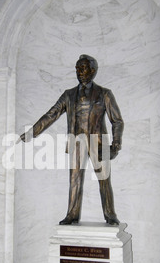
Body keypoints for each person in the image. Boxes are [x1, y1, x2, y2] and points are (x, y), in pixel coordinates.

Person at [20, 55, 124, 226]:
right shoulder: (68, 95)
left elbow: (117, 121)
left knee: (104, 180)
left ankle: (110, 214)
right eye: (77, 68)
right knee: (74, 180)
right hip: (77, 142)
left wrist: (116, 144)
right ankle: (72, 214)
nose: (79, 72)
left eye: (82, 68)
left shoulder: (105, 94)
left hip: (101, 142)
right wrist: (32, 132)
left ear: (93, 70)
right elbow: (51, 114)